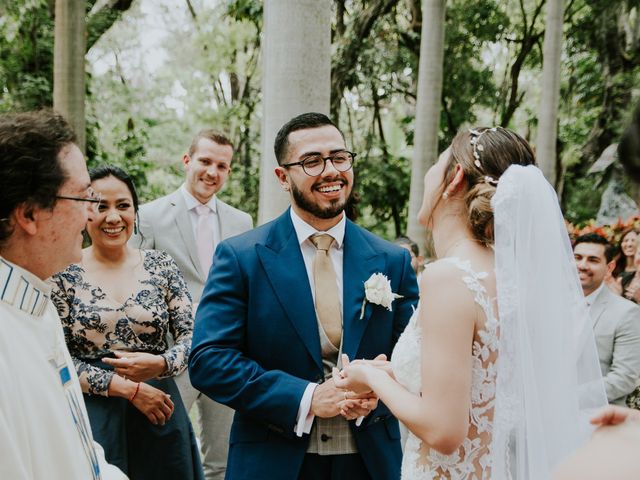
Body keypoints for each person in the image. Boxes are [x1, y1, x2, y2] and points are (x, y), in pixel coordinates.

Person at [333, 126, 608, 479]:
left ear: (454, 178)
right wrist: (390, 378)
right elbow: (480, 385)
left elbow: (444, 431)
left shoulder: (449, 277)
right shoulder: (511, 275)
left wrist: (369, 374)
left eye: (437, 163)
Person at [188, 112, 419, 480]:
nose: (330, 171)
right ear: (283, 176)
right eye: (312, 161)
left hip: (370, 462)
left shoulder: (391, 260)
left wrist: (382, 391)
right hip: (274, 461)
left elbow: (414, 358)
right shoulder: (242, 256)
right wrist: (307, 398)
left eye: (339, 157)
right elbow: (209, 360)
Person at [50, 165, 203, 479]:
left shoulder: (161, 265)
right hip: (95, 411)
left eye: (123, 206)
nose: (113, 217)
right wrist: (126, 389)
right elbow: (56, 357)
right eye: (100, 206)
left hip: (160, 408)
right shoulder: (63, 272)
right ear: (83, 212)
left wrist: (161, 364)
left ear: (135, 211)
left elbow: (193, 337)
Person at [0, 110, 125, 479]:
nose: (93, 213)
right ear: (29, 215)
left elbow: (79, 450)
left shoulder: (38, 306)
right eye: (84, 196)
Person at [132, 130, 252, 480]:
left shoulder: (241, 222)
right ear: (187, 161)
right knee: (163, 447)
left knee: (224, 455)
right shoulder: (150, 216)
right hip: (170, 356)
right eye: (205, 161)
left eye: (222, 166)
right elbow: (137, 284)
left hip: (227, 353)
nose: (212, 171)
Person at [573, 233, 640, 405]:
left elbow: (624, 378)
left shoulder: (627, 312)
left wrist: (567, 396)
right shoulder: (552, 305)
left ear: (609, 267)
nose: (582, 265)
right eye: (577, 257)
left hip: (596, 417)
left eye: (593, 260)